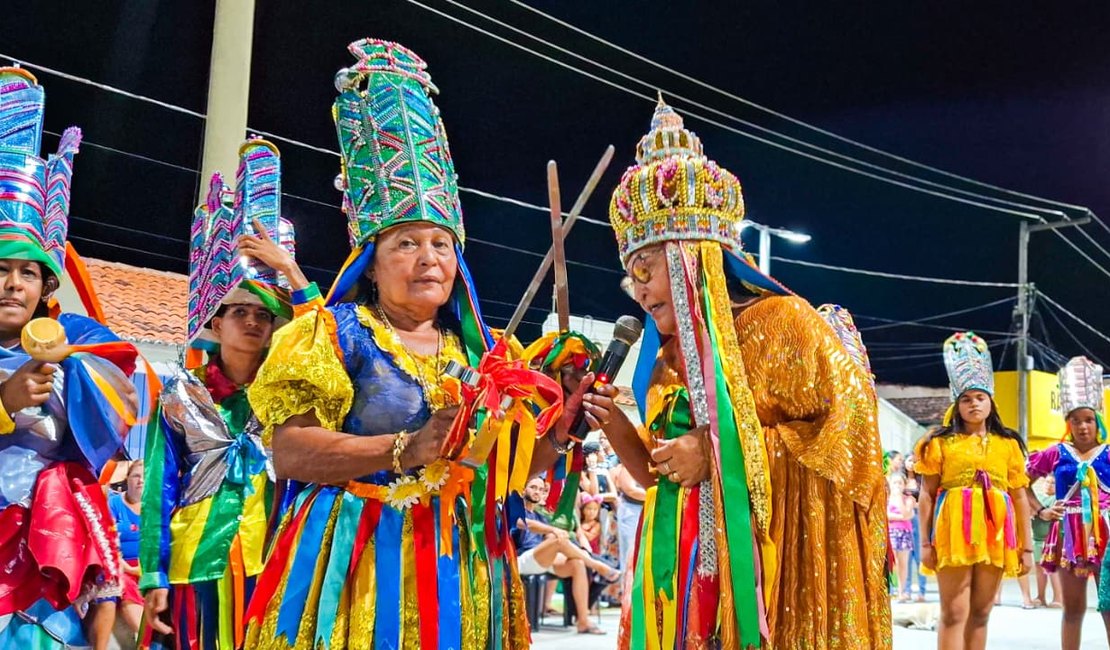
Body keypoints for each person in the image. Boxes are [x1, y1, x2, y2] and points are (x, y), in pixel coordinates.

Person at [241, 40, 559, 650]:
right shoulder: (330, 335)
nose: (428, 259)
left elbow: (510, 471)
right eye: (406, 243)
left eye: (440, 244)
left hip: (460, 568)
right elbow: (291, 454)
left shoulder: (486, 356)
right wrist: (405, 447)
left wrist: (562, 423)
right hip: (354, 564)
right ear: (372, 262)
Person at [592, 98, 891, 648]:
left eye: (646, 271)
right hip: (673, 574)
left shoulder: (784, 323)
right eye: (630, 277)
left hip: (766, 580)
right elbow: (657, 476)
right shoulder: (661, 357)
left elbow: (852, 451)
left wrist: (719, 454)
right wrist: (611, 420)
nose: (637, 291)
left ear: (692, 257)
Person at [0, 67, 156, 650]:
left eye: (27, 272)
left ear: (44, 287)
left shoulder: (78, 346)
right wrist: (3, 402)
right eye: (0, 270)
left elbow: (121, 403)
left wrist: (75, 365)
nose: (13, 284)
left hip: (50, 537)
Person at [138, 139, 315, 650]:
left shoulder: (294, 390)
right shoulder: (182, 394)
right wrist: (153, 574)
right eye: (240, 311)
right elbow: (158, 488)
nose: (254, 321)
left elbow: (327, 341)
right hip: (198, 560)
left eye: (264, 314)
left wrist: (291, 274)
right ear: (215, 324)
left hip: (279, 555)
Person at [915, 332, 1032, 650]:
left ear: (991, 401)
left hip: (995, 534)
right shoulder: (938, 443)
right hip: (953, 533)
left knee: (981, 613)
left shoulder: (1008, 444)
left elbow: (1019, 495)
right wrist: (925, 543)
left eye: (980, 397)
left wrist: (1027, 548)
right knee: (954, 612)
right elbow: (926, 495)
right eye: (966, 399)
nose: (973, 404)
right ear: (957, 403)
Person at [1025, 356, 1110, 650]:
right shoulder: (1056, 452)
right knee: (1072, 609)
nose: (1082, 426)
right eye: (1076, 420)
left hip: (1105, 533)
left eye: (1088, 419)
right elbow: (1020, 483)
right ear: (1068, 423)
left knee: (1109, 605)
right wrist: (1042, 510)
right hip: (1067, 534)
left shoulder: (1109, 452)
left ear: (1097, 419)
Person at [508, 477, 616, 634]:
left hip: (541, 557)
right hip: (522, 558)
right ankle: (597, 565)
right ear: (523, 489)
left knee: (577, 564)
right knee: (557, 538)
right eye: (533, 487)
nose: (537, 492)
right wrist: (553, 531)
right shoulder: (514, 508)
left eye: (541, 489)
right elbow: (525, 524)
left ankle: (583, 621)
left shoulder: (541, 515)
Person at [107, 460, 145, 636]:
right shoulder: (114, 504)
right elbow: (108, 539)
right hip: (121, 565)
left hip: (147, 565)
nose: (140, 481)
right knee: (126, 583)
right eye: (136, 476)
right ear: (127, 478)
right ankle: (142, 637)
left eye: (145, 477)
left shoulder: (155, 507)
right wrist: (128, 567)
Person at [1030, 475, 1063, 608]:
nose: (1049, 485)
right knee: (1039, 568)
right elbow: (1032, 509)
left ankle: (1058, 597)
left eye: (1053, 483)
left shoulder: (1058, 499)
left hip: (1052, 540)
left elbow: (1051, 514)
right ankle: (1040, 596)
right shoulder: (1037, 497)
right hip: (1037, 539)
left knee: (1052, 569)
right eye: (1047, 482)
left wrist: (1038, 512)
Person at [888, 473, 916, 602]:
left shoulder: (908, 499)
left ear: (904, 485)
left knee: (903, 563)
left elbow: (907, 513)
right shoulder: (886, 498)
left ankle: (901, 591)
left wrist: (899, 499)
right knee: (892, 562)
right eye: (895, 483)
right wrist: (901, 517)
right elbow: (885, 515)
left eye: (900, 483)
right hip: (891, 532)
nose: (897, 485)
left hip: (904, 532)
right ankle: (891, 590)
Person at [905, 453, 929, 601]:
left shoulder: (923, 481)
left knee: (920, 556)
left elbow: (928, 499)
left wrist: (917, 505)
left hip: (919, 517)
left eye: (914, 461)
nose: (911, 464)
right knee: (905, 556)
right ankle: (905, 590)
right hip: (904, 520)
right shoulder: (900, 480)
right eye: (908, 460)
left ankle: (921, 591)